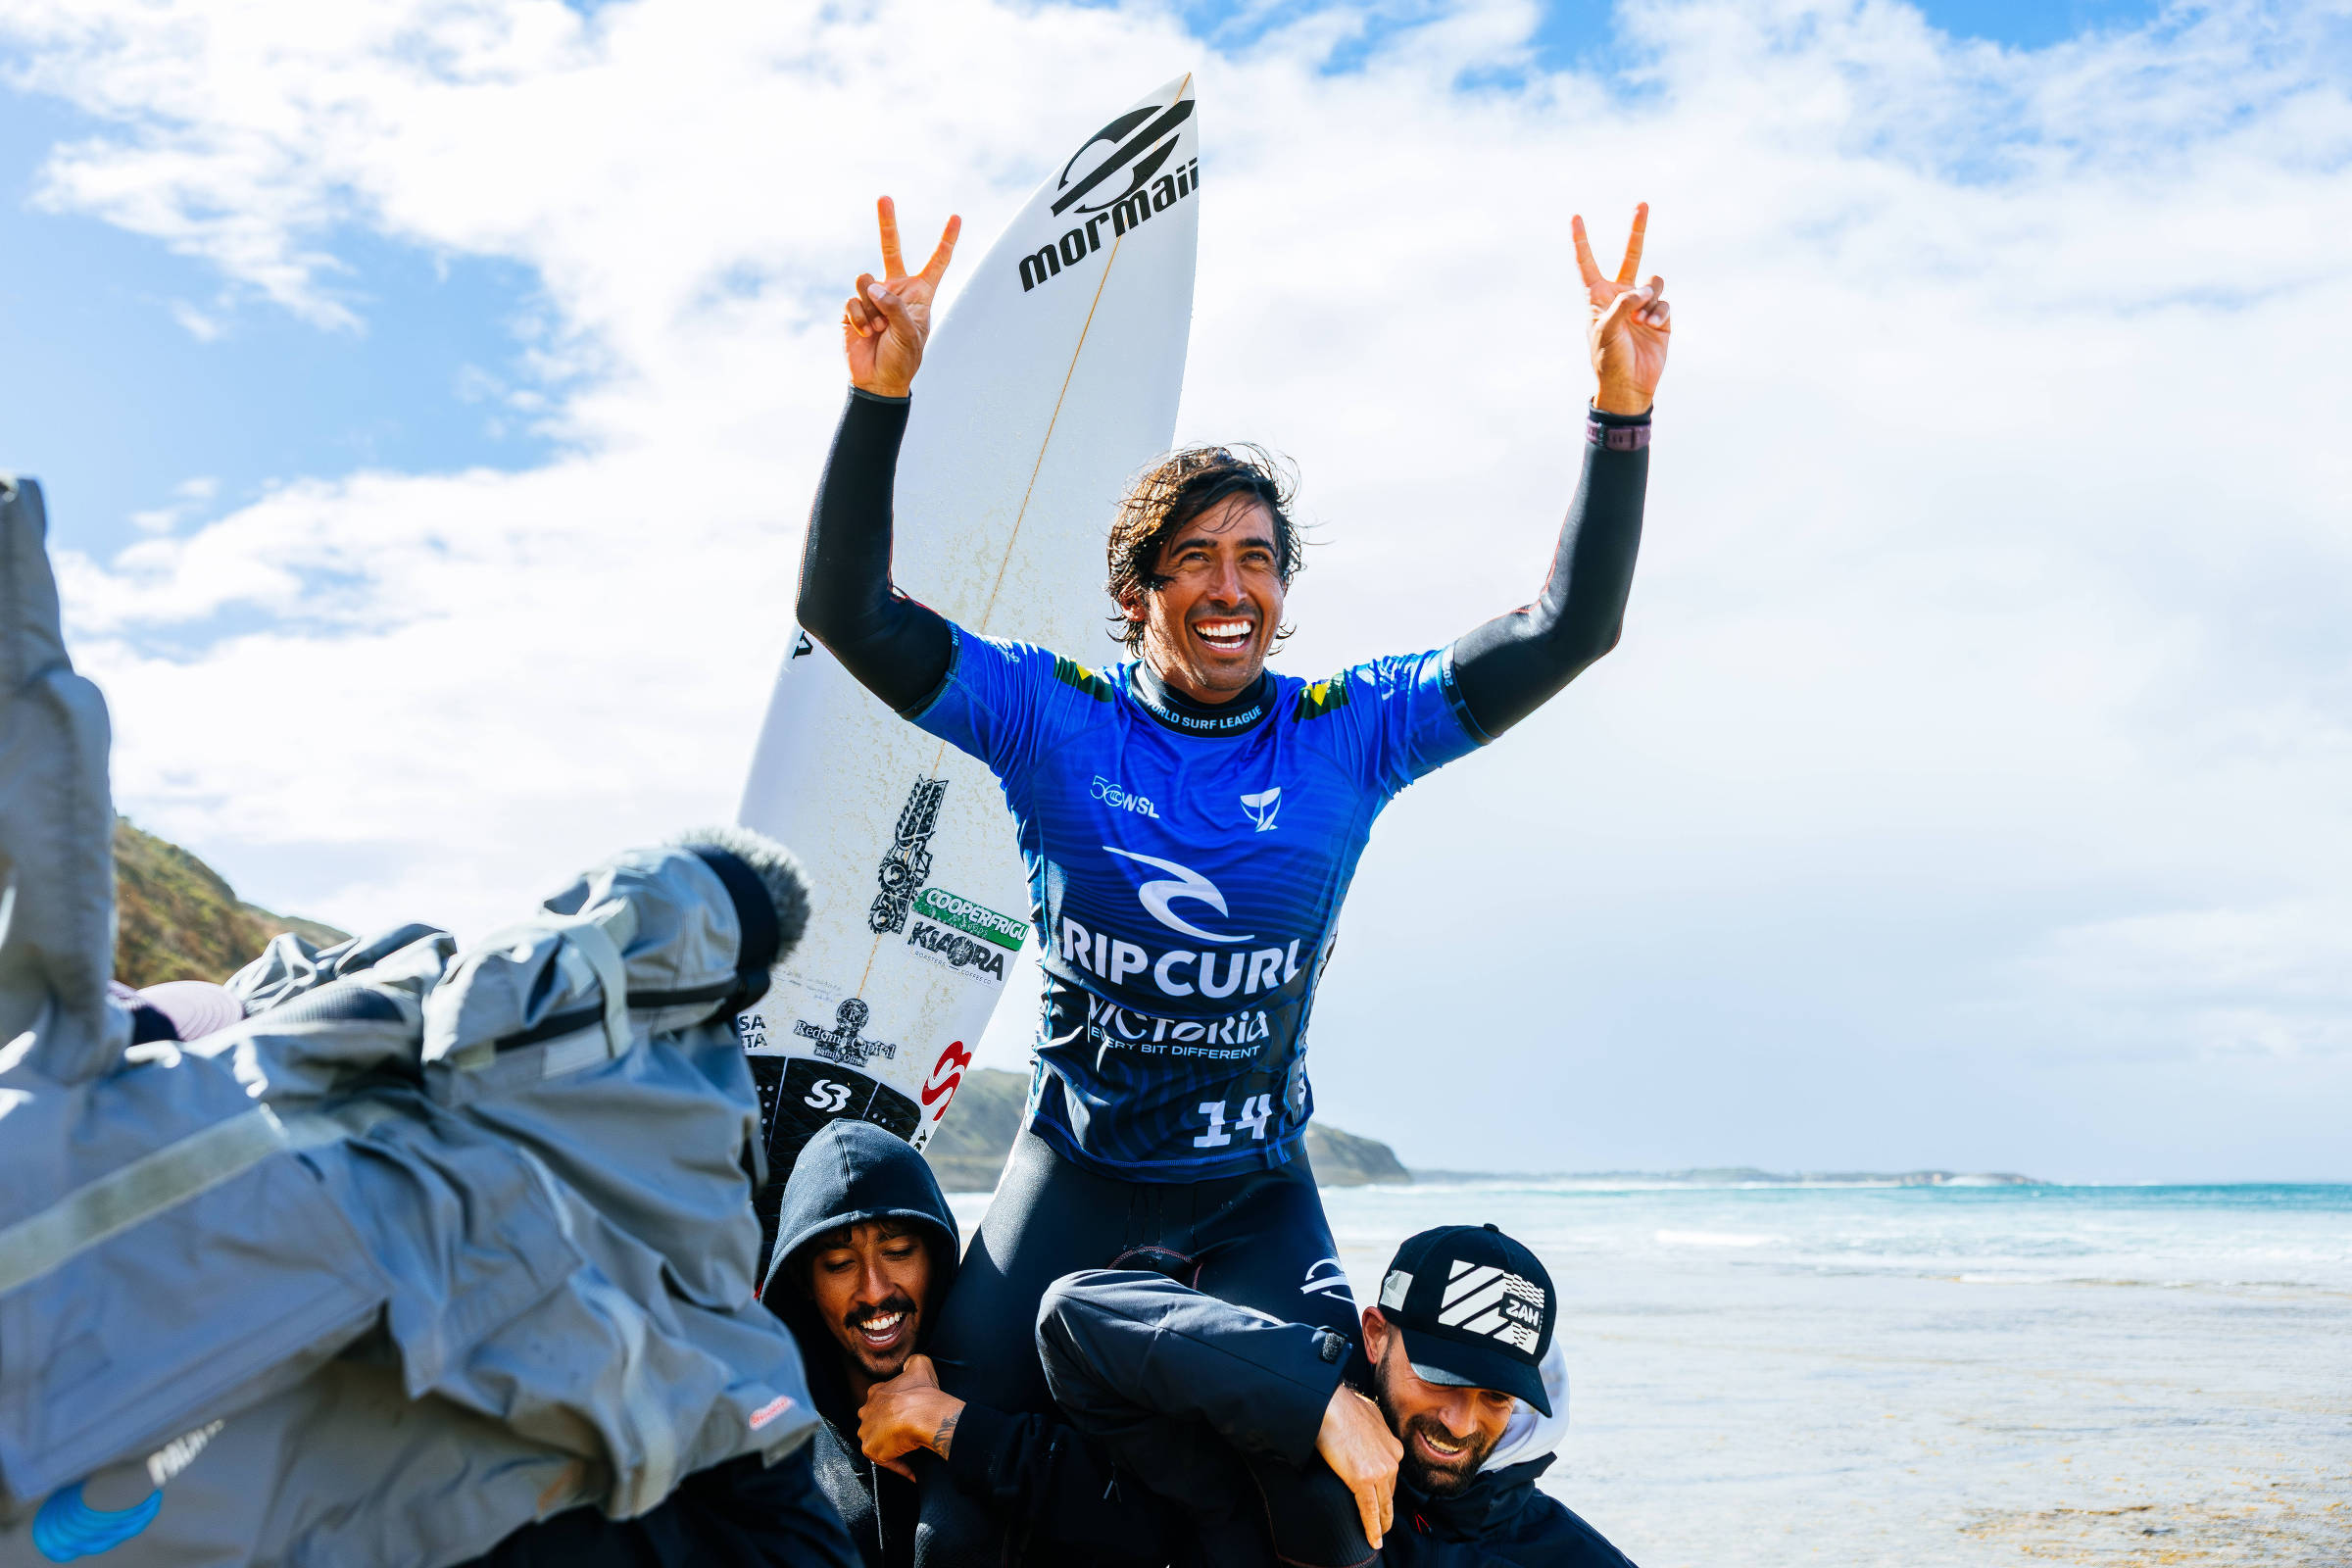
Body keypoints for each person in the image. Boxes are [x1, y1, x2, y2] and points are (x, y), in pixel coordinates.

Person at [797, 194, 1670, 1561]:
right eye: (1193, 557)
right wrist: (881, 398)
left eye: (1256, 558)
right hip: (1077, 1169)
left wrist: (1619, 418)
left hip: (1258, 1190)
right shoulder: (1052, 717)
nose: (1229, 583)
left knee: (1331, 1505)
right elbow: (846, 617)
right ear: (1138, 589)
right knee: (932, 1476)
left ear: (1282, 590)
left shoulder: (1348, 732)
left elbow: (1575, 626)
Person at [1036, 1223, 1641, 1567]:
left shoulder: (1565, 1555)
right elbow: (1077, 1311)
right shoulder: (1279, 1446)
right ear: (1375, 1335)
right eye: (1441, 1378)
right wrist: (1319, 1400)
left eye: (1497, 1397)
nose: (1461, 1423)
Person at [761, 1117, 1177, 1567]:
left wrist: (955, 1427)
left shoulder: (1032, 1386)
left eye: (898, 1252)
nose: (876, 1289)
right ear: (804, 1281)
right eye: (840, 1264)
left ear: (938, 1258)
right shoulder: (776, 1455)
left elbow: (1150, 1533)